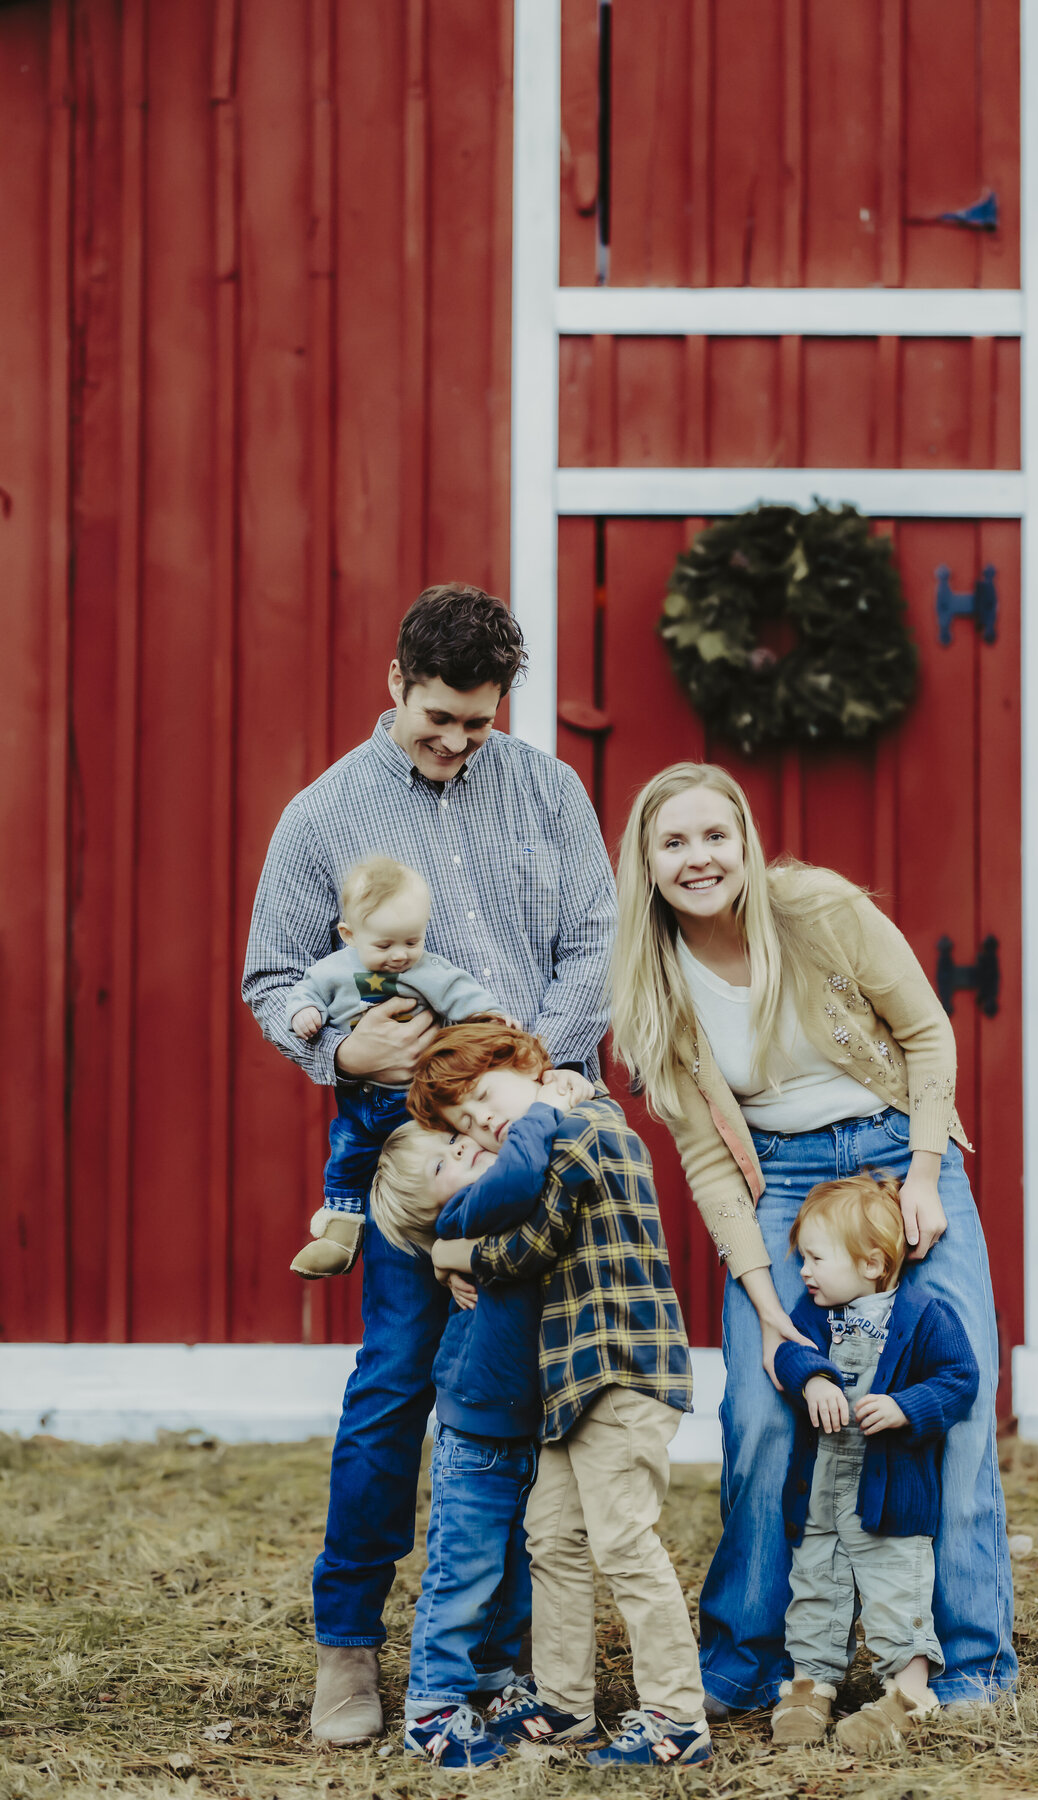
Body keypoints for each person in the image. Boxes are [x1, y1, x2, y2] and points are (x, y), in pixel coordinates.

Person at [241, 585, 616, 1745]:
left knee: (520, 1395)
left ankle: (498, 1654)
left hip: (540, 1138)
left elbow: (595, 948)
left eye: (478, 722)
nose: (455, 741)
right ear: (396, 683)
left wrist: (525, 1080)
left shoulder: (551, 793)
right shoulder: (323, 815)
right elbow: (271, 980)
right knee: (397, 1384)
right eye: (437, 718)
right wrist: (342, 1049)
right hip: (412, 1155)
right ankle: (348, 1645)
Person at [609, 761, 1016, 1715]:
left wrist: (925, 1173)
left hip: (896, 1148)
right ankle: (746, 1654)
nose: (699, 858)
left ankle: (973, 1661)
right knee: (758, 1411)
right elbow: (708, 1159)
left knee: (959, 1394)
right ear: (647, 863)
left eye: (716, 836)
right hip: (779, 1177)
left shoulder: (822, 910)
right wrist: (763, 1301)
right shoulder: (650, 982)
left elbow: (927, 1035)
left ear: (745, 843)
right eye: (675, 842)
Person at [408, 1021, 713, 1771]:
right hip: (571, 1381)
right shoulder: (553, 1132)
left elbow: (531, 1244)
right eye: (463, 1121)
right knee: (552, 1538)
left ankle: (677, 1716)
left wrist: (451, 1248)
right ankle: (565, 1701)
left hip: (619, 1369)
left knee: (623, 1542)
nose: (482, 1120)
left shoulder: (583, 1128)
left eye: (484, 1095)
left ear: (531, 1063)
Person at [365, 1071, 589, 1768]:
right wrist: (546, 1107)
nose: (463, 1148)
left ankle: (492, 1677)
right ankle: (431, 1705)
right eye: (444, 1162)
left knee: (513, 1568)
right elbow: (518, 1173)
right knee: (462, 1573)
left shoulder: (493, 1215)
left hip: (526, 1427)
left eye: (456, 1142)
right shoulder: (472, 1214)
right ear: (436, 1212)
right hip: (477, 1434)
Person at [770, 1173, 978, 1751]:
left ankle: (911, 1693)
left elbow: (959, 1378)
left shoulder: (924, 1316)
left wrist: (906, 1406)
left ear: (870, 1263)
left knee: (895, 1589)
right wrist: (813, 1379)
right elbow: (787, 1352)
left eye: (816, 1258)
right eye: (803, 1258)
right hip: (819, 1494)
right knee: (815, 1586)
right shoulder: (814, 1316)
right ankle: (811, 1684)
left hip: (890, 1497)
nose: (804, 1271)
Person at [283, 854, 510, 1279]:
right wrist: (304, 1013)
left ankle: (448, 1239)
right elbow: (302, 992)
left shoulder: (427, 970)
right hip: (358, 1096)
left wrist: (489, 1016)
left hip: (414, 1103)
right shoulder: (331, 971)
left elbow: (459, 991)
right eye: (384, 946)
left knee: (421, 1173)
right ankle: (340, 1233)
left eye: (412, 941)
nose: (401, 956)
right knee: (346, 1155)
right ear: (349, 935)